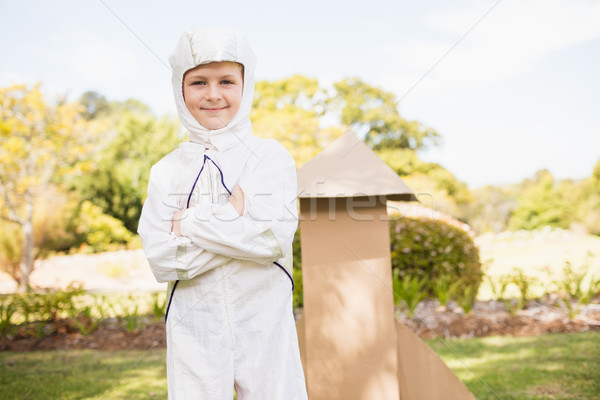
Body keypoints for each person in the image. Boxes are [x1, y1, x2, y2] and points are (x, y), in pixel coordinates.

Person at [138, 27, 308, 399]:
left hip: (264, 320)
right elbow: (164, 260)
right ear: (179, 88)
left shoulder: (269, 157)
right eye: (199, 81)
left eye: (226, 81)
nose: (213, 94)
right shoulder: (166, 172)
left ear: (245, 86)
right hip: (193, 325)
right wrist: (235, 218)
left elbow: (270, 240)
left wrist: (189, 223)